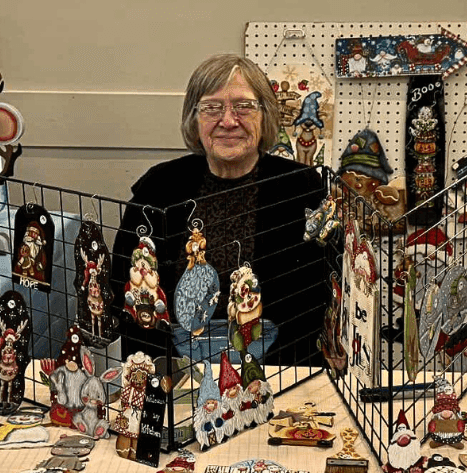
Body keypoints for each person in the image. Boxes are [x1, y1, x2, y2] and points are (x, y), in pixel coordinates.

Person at [112, 54, 327, 367]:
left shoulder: (302, 187)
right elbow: (124, 283)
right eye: (212, 107)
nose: (228, 121)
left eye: (244, 106)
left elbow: (319, 300)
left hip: (279, 372)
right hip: (175, 375)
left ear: (265, 116)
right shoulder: (159, 187)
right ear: (194, 118)